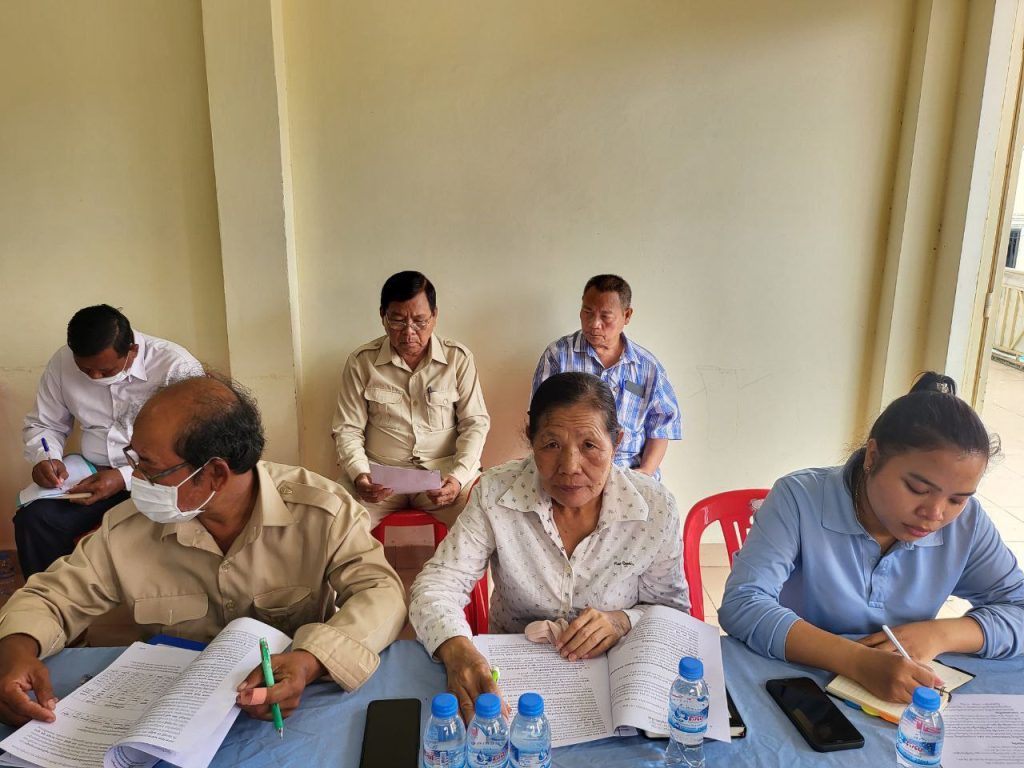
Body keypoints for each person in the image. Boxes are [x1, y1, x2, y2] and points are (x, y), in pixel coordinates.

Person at [0, 374, 407, 728]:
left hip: (286, 714)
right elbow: (50, 597)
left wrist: (309, 659)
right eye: (134, 460)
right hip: (170, 718)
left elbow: (381, 592)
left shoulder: (322, 512)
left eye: (149, 466)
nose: (135, 477)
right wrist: (16, 649)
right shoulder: (128, 530)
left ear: (214, 473)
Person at [719, 372, 1024, 705]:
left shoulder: (967, 523)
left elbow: (1018, 605)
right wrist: (858, 661)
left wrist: (940, 634)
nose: (935, 514)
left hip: (893, 700)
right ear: (873, 457)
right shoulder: (799, 498)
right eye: (917, 489)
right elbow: (743, 603)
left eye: (957, 499)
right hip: (792, 683)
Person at [409, 372, 689, 720]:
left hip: (618, 675)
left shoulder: (653, 507)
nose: (570, 467)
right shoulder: (496, 493)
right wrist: (456, 649)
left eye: (589, 446)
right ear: (531, 438)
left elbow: (672, 611)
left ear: (616, 442)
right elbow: (437, 585)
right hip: (513, 673)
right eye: (552, 444)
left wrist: (622, 622)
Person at [15, 304, 202, 578]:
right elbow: (46, 423)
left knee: (166, 531)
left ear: (132, 350)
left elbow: (195, 444)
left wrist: (125, 477)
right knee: (35, 520)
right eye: (85, 370)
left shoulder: (175, 366)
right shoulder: (62, 362)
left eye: (105, 370)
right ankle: (52, 602)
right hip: (92, 475)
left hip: (160, 478)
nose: (94, 377)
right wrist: (46, 458)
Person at [332, 270, 490, 528]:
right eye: (397, 321)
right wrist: (360, 475)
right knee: (336, 523)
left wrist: (458, 478)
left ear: (434, 316)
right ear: (382, 316)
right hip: (378, 480)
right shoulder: (361, 362)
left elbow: (475, 424)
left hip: (443, 477)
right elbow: (347, 429)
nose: (408, 333)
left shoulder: (458, 360)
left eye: (419, 321)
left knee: (482, 521)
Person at [532, 274, 681, 478]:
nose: (594, 324)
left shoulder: (647, 367)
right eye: (587, 312)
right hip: (571, 468)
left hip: (629, 471)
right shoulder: (558, 356)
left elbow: (662, 426)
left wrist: (645, 472)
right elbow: (539, 417)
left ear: (626, 315)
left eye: (605, 316)